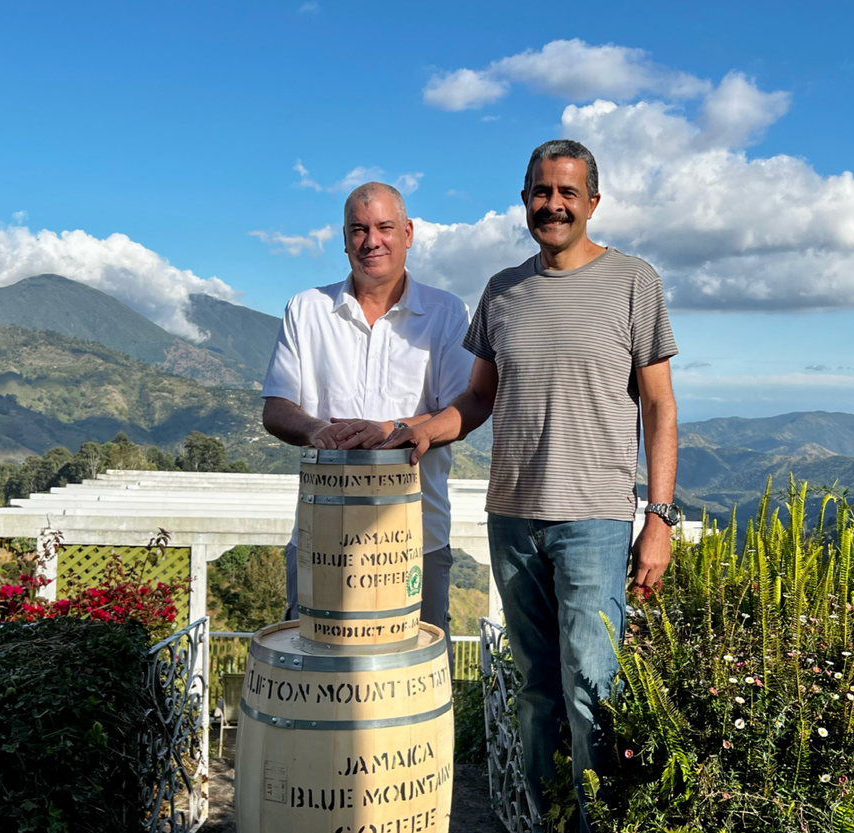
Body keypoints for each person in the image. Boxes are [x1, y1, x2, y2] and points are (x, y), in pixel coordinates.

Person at [382, 140, 680, 832]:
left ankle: (595, 822)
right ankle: (544, 820)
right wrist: (427, 428)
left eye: (567, 193)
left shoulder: (635, 282)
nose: (553, 204)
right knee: (537, 694)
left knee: (591, 691)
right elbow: (479, 398)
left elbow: (660, 406)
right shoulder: (501, 291)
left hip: (596, 521)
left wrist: (659, 517)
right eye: (541, 192)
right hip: (512, 516)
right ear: (524, 201)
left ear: (593, 202)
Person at [260, 181, 473, 655]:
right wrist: (317, 429)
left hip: (418, 538)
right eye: (358, 229)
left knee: (415, 669)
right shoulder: (306, 309)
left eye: (384, 227)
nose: (370, 240)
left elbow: (463, 409)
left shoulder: (446, 313)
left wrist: (394, 432)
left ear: (409, 233)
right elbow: (276, 408)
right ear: (343, 237)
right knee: (316, 666)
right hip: (322, 540)